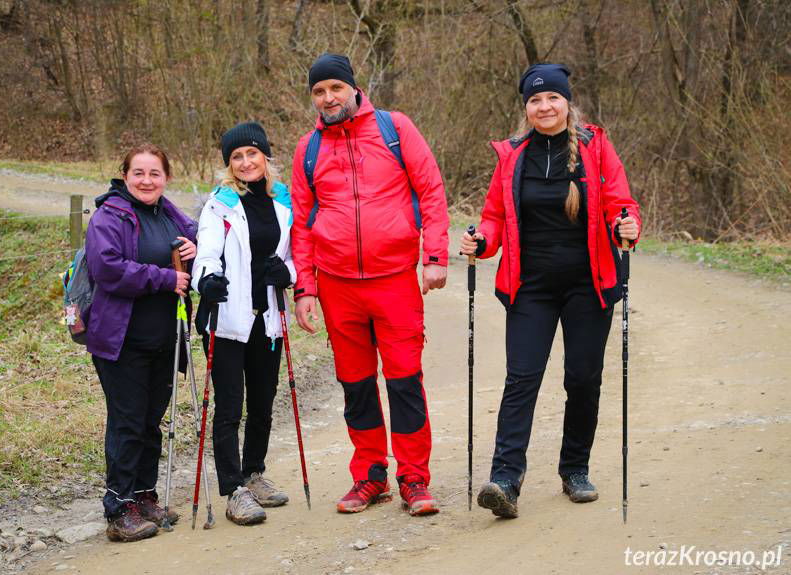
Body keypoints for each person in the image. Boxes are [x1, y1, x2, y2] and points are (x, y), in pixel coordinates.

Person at [460, 63, 641, 518]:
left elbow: (621, 201)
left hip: (589, 284)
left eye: (552, 98)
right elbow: (495, 217)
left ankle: (574, 469)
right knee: (521, 379)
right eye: (535, 100)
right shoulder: (513, 154)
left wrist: (628, 225)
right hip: (530, 286)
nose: (544, 106)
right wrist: (481, 241)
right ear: (527, 108)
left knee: (582, 379)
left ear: (567, 103)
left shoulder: (596, 148)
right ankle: (505, 479)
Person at [291, 53, 450, 516]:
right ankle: (370, 476)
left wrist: (434, 256)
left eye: (334, 88)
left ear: (353, 88)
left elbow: (431, 190)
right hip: (339, 285)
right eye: (319, 92)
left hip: (395, 280)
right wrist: (306, 287)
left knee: (404, 382)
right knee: (356, 386)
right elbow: (301, 224)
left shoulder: (394, 128)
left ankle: (414, 478)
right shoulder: (309, 149)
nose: (328, 98)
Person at [85, 144, 197, 541]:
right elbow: (107, 268)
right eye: (139, 173)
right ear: (125, 176)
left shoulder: (169, 213)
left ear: (166, 178)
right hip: (122, 341)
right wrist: (166, 278)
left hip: (167, 340)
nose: (147, 180)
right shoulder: (109, 217)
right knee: (128, 422)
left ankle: (144, 495)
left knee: (150, 422)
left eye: (155, 173)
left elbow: (198, 241)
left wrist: (194, 250)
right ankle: (119, 507)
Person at [191, 122, 295, 526]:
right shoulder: (219, 205)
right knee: (230, 407)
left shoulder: (283, 203)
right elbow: (206, 253)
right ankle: (233, 488)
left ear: (266, 158)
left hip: (266, 318)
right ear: (229, 165)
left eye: (253, 153)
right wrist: (207, 280)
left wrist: (286, 273)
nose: (246, 161)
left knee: (264, 404)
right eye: (237, 156)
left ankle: (254, 473)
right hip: (227, 318)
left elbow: (291, 255)